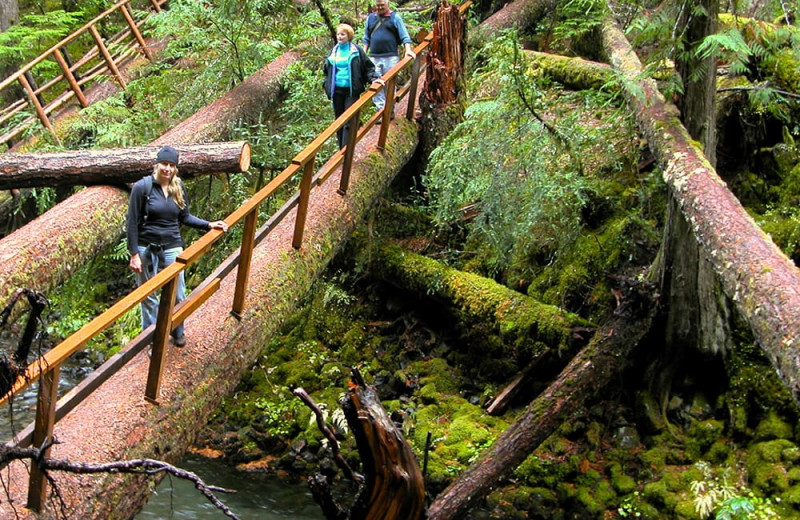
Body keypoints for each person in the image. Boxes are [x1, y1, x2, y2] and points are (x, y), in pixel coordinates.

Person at [127, 145, 228, 347]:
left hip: (173, 246)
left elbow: (185, 217)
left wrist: (208, 224)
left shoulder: (178, 187)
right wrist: (134, 254)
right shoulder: (142, 187)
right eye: (164, 164)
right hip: (147, 247)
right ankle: (152, 340)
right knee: (148, 296)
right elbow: (131, 222)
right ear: (157, 164)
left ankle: (177, 331)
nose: (168, 169)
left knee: (177, 292)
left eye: (172, 165)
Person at [323, 23, 382, 149]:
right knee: (339, 121)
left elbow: (368, 67)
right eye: (338, 34)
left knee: (349, 120)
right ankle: (341, 150)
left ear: (348, 36)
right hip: (336, 90)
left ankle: (346, 151)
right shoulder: (333, 51)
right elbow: (326, 71)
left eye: (342, 34)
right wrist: (326, 85)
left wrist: (374, 78)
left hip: (351, 91)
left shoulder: (356, 51)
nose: (339, 37)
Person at [362, 0, 415, 117]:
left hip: (391, 57)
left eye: (382, 5)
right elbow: (366, 38)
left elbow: (405, 36)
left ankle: (389, 109)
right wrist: (363, 54)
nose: (380, 7)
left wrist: (408, 51)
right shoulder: (370, 18)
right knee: (375, 83)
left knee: (390, 84)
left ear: (387, 4)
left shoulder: (395, 17)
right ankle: (381, 111)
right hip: (374, 57)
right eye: (378, 5)